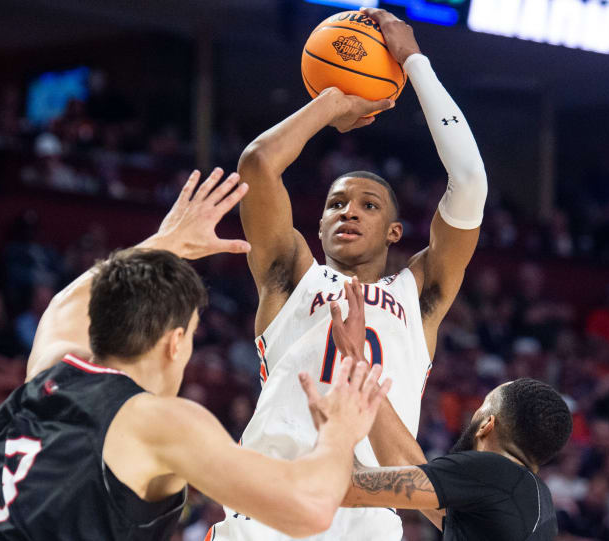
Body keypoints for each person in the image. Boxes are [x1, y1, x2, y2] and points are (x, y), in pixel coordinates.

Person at [0, 168, 390, 540]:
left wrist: (166, 240)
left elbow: (68, 304)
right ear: (175, 342)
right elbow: (309, 509)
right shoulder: (156, 421)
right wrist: (340, 432)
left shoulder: (52, 367)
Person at [212, 7, 488, 540]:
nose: (349, 211)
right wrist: (332, 102)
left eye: (367, 204)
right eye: (336, 204)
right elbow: (257, 165)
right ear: (316, 225)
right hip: (270, 502)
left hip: (367, 518)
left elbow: (470, 183)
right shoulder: (291, 276)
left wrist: (413, 61)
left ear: (393, 231)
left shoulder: (420, 294)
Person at [315, 279, 573, 540]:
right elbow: (407, 466)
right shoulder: (536, 503)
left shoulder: (492, 471)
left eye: (482, 406)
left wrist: (335, 427)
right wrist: (359, 362)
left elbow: (348, 488)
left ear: (487, 425)